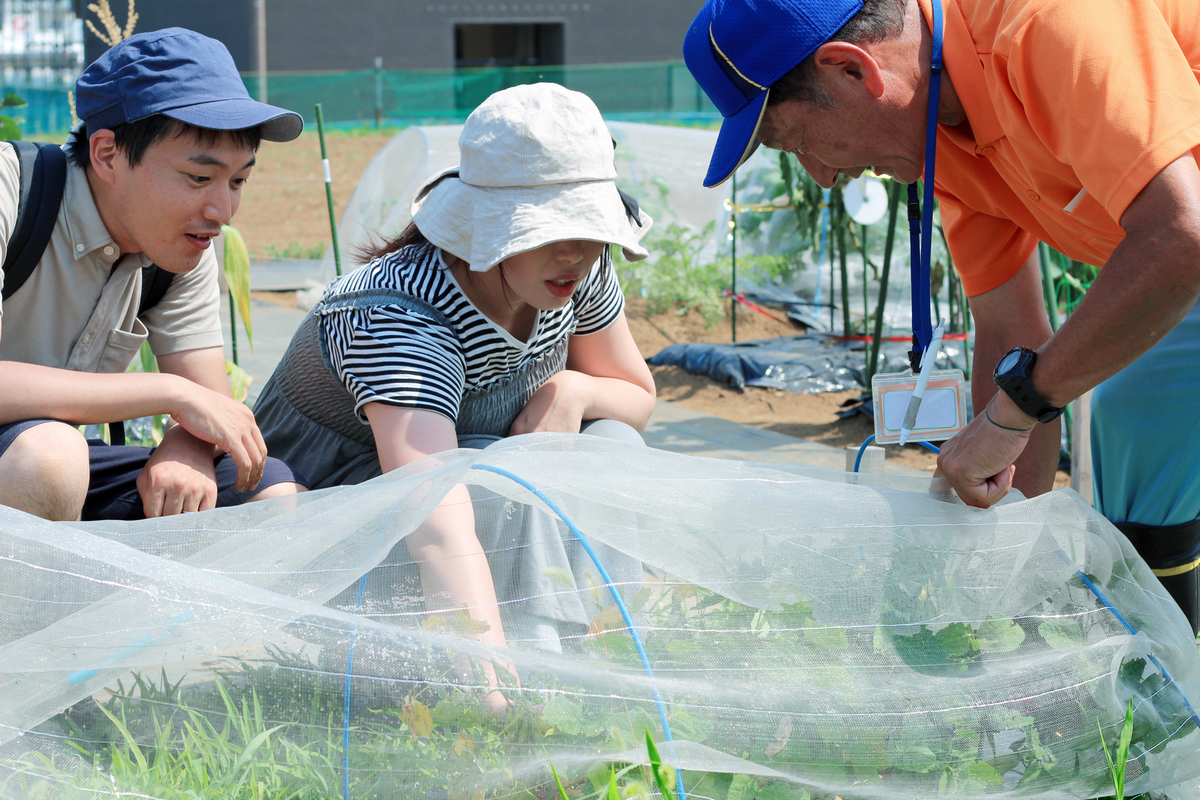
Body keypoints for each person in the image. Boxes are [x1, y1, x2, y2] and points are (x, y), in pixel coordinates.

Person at [683, 0, 1200, 633]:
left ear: (851, 70)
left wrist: (1011, 414)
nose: (820, 178)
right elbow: (1012, 331)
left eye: (794, 142)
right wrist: (998, 561)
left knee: (1132, 406)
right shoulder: (939, 138)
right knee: (1137, 432)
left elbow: (1180, 238)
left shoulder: (1046, 23)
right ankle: (1167, 694)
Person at [254, 83, 656, 706]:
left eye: (590, 227)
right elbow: (435, 516)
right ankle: (529, 684)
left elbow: (634, 396)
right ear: (484, 228)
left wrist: (576, 389)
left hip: (470, 497)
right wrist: (485, 680)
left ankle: (615, 665)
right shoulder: (398, 314)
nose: (576, 252)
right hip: (332, 538)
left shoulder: (579, 270)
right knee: (505, 475)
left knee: (611, 443)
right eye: (551, 230)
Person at [0, 28, 308, 523]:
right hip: (37, 461)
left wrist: (187, 446)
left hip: (42, 463)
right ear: (106, 154)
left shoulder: (179, 243)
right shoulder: (11, 193)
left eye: (239, 180)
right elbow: (191, 395)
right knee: (50, 456)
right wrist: (172, 394)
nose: (222, 209)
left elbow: (209, 403)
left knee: (265, 491)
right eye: (198, 177)